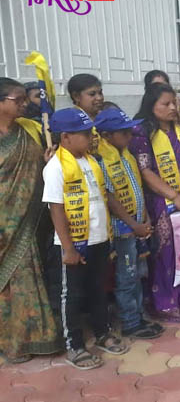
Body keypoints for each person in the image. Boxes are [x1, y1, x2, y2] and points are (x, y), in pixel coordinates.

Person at [43, 108, 129, 369]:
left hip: (99, 238)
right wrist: (68, 248)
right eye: (83, 134)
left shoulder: (92, 161)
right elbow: (56, 208)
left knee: (97, 289)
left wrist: (130, 224)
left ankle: (102, 332)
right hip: (73, 244)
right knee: (71, 295)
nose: (91, 138)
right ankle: (75, 346)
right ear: (65, 137)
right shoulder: (56, 167)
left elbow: (106, 196)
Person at [130, 83, 180, 321]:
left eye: (173, 102)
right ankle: (169, 302)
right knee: (168, 251)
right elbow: (145, 171)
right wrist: (175, 197)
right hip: (162, 202)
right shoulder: (142, 133)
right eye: (165, 104)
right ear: (151, 106)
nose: (172, 108)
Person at [0, 78, 61, 364]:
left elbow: (36, 167)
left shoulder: (27, 130)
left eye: (26, 98)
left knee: (25, 275)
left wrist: (47, 162)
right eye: (18, 100)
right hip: (4, 221)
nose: (25, 104)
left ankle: (26, 340)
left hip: (28, 221)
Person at [94, 108, 164, 339]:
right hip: (122, 229)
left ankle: (139, 316)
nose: (129, 136)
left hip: (136, 225)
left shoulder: (126, 153)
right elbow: (110, 198)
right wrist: (133, 224)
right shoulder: (102, 159)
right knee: (126, 276)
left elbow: (136, 187)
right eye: (123, 132)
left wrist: (145, 217)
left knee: (136, 274)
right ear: (106, 135)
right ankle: (130, 322)